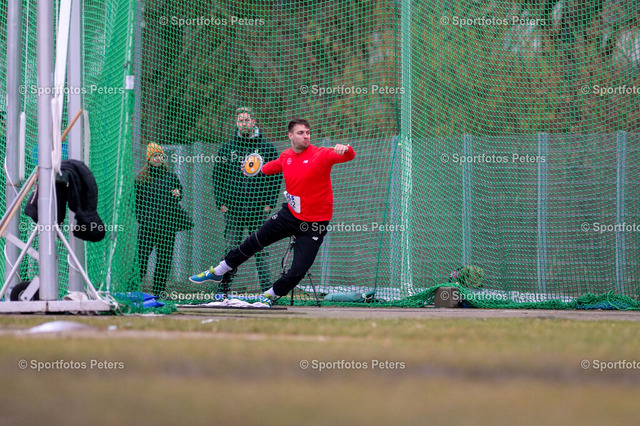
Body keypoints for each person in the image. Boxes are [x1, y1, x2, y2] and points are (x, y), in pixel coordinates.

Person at [189, 118, 355, 306]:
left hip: (314, 224)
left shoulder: (322, 154)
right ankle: (218, 271)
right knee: (254, 241)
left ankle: (269, 295)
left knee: (298, 271)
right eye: (301, 133)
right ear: (290, 135)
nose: (306, 136)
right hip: (289, 215)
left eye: (308, 132)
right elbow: (266, 169)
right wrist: (251, 169)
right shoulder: (286, 156)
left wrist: (345, 148)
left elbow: (349, 155)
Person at [212, 107, 281, 292]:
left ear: (253, 122)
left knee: (261, 250)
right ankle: (222, 291)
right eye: (241, 120)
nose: (244, 123)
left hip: (258, 210)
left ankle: (267, 291)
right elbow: (217, 176)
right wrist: (221, 202)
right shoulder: (227, 148)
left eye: (247, 120)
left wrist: (269, 203)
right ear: (237, 123)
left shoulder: (267, 148)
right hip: (233, 210)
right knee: (230, 250)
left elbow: (276, 177)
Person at [136, 142, 193, 295]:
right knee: (141, 260)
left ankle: (159, 291)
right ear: (148, 159)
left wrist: (177, 194)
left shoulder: (171, 177)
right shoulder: (141, 180)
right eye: (154, 156)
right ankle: (134, 289)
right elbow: (134, 203)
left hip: (167, 227)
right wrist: (143, 219)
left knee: (164, 261)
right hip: (148, 228)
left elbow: (179, 193)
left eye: (159, 156)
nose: (157, 158)